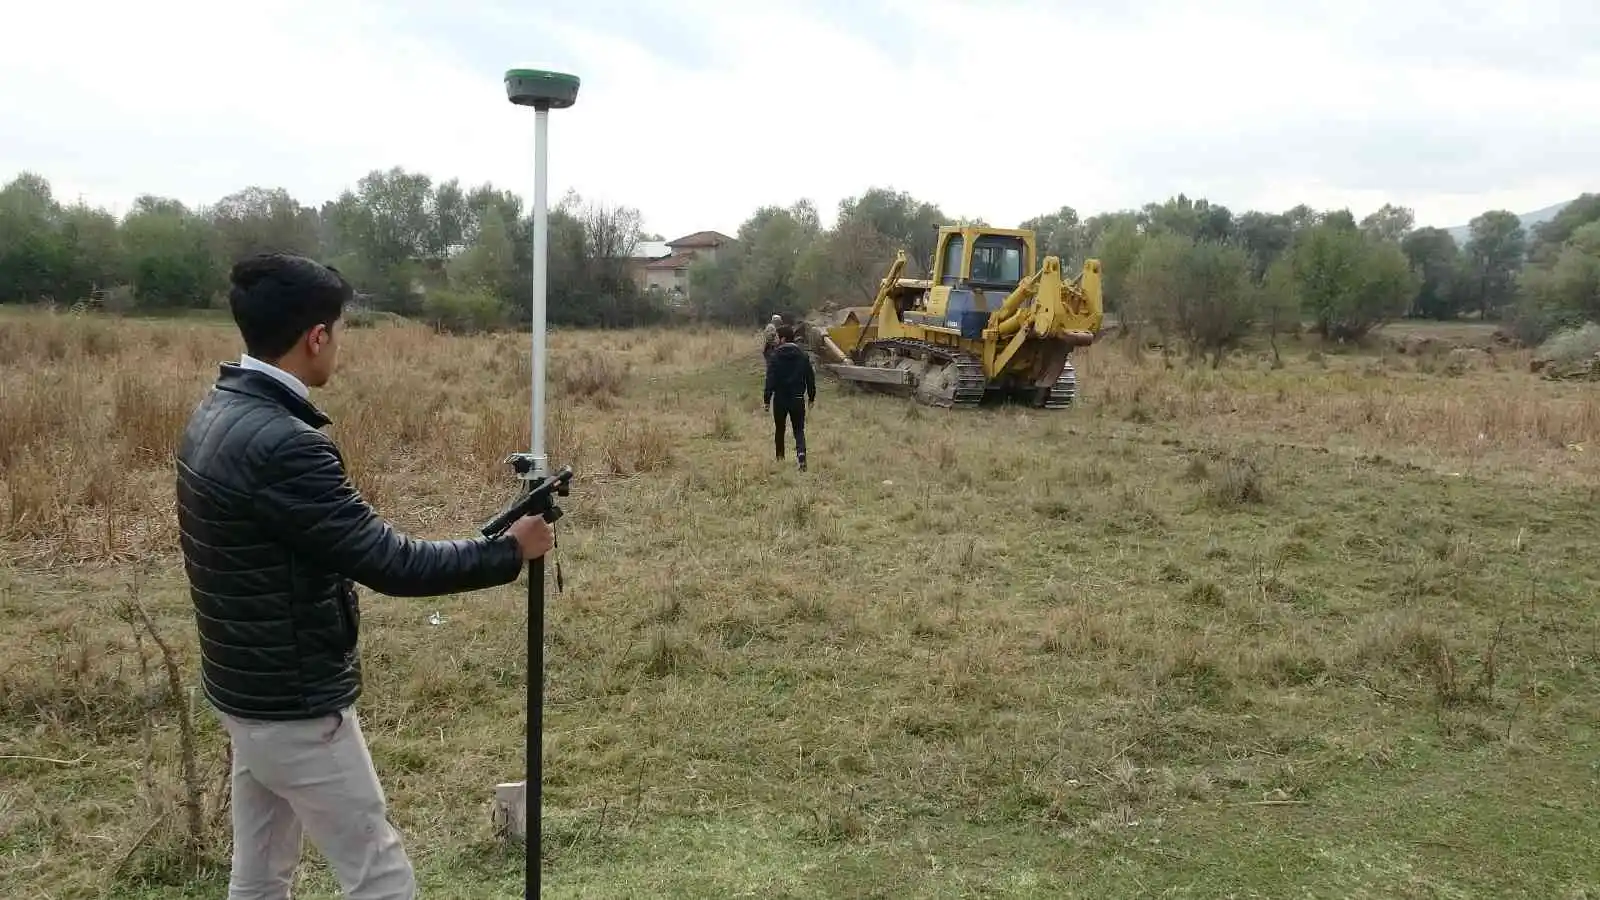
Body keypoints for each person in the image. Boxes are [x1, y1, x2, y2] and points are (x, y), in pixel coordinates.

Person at [174, 253, 554, 900]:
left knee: (260, 873)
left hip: (243, 694)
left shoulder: (215, 412)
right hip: (295, 708)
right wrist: (509, 552)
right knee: (380, 877)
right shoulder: (286, 445)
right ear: (316, 336)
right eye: (339, 330)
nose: (339, 346)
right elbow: (391, 562)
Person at [762, 323, 816, 471]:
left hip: (780, 399)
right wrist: (811, 397)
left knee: (780, 429)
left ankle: (780, 459)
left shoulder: (775, 357)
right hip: (798, 398)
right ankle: (801, 455)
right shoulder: (803, 356)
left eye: (779, 337)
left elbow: (770, 379)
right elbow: (810, 378)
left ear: (784, 339)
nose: (777, 340)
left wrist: (767, 399)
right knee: (798, 429)